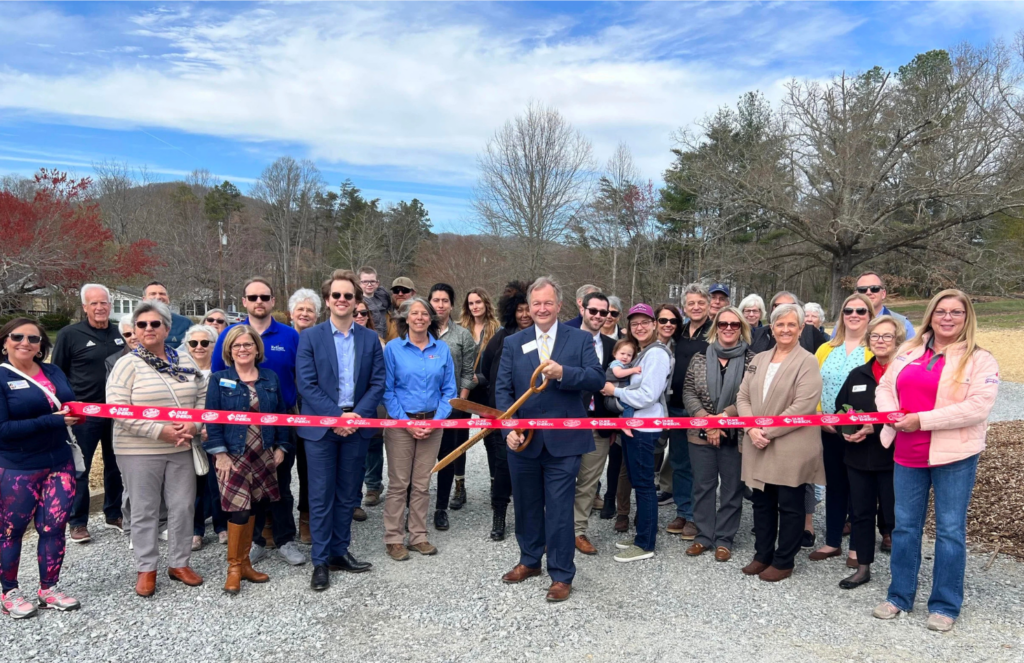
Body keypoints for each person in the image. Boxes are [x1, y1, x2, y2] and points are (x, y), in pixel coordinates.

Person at [872, 290, 999, 632]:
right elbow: (885, 387)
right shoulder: (909, 350)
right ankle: (899, 596)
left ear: (966, 317)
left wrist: (920, 420)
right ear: (930, 314)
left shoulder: (980, 359)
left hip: (953, 456)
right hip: (908, 453)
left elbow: (977, 407)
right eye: (941, 311)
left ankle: (945, 604)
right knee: (905, 527)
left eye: (956, 312)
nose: (947, 318)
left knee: (950, 531)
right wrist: (892, 415)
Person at [496, 277, 603, 601]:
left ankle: (561, 574)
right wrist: (508, 429)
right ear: (529, 307)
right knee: (526, 504)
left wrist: (564, 374)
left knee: (558, 509)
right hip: (523, 441)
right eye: (536, 303)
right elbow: (502, 391)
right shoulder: (515, 343)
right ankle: (530, 561)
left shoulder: (579, 340)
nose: (542, 309)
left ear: (559, 305)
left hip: (565, 443)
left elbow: (597, 378)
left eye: (548, 303)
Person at [107, 300, 207, 597]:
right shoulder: (127, 364)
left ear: (166, 328)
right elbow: (118, 409)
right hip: (138, 449)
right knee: (144, 509)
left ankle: (179, 563)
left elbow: (202, 397)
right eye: (141, 325)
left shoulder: (186, 360)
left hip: (182, 447)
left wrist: (195, 425)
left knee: (182, 506)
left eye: (154, 324)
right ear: (134, 331)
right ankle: (146, 568)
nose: (148, 329)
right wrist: (158, 430)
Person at [296, 269, 385, 591]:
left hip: (356, 429)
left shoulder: (369, 339)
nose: (343, 300)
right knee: (321, 496)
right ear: (327, 300)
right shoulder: (310, 337)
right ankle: (320, 561)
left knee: (348, 494)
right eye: (337, 295)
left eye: (348, 295)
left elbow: (378, 383)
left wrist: (355, 417)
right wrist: (337, 417)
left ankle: (338, 551)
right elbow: (306, 384)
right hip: (322, 429)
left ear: (356, 300)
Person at [211, 278, 303, 567]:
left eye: (265, 296)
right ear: (244, 301)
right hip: (236, 440)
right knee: (246, 497)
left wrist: (283, 444)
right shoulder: (223, 362)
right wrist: (219, 451)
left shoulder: (289, 338)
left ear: (273, 300)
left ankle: (286, 539)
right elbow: (213, 406)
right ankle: (255, 544)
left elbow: (294, 389)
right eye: (253, 297)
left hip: (274, 434)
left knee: (281, 489)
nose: (259, 301)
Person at [736, 303, 824, 582]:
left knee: (789, 504)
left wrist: (766, 431)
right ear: (771, 328)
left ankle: (784, 560)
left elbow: (803, 405)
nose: (785, 329)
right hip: (757, 440)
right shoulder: (758, 359)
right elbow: (742, 397)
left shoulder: (807, 361)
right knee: (761, 502)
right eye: (780, 324)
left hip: (791, 444)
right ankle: (762, 554)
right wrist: (751, 428)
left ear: (800, 329)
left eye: (791, 324)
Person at [0, 318, 82, 617]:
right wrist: (55, 420)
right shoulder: (1, 377)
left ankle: (49, 588)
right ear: (5, 341)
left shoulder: (53, 371)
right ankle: (9, 592)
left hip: (59, 462)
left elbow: (68, 405)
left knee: (54, 527)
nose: (25, 343)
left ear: (41, 346)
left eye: (33, 339)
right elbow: (3, 429)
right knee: (11, 530)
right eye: (17, 336)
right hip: (18, 466)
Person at [205, 325, 292, 594]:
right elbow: (212, 418)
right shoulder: (219, 379)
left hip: (263, 450)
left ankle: (245, 565)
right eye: (237, 345)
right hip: (233, 453)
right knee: (238, 509)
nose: (242, 349)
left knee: (256, 505)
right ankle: (233, 567)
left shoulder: (270, 378)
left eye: (247, 344)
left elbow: (280, 416)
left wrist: (282, 447)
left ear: (257, 348)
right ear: (229, 351)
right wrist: (218, 453)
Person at [382, 297, 456, 561]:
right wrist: (408, 423)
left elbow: (450, 391)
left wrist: (435, 421)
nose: (420, 318)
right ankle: (393, 538)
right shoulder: (392, 349)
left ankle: (418, 536)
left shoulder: (442, 349)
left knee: (422, 484)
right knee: (399, 484)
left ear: (431, 319)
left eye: (425, 313)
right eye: (415, 313)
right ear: (405, 318)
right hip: (402, 425)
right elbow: (387, 391)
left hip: (432, 424)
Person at [833, 315, 903, 590]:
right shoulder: (858, 374)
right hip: (859, 457)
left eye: (887, 336)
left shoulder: (905, 373)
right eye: (875, 336)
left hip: (895, 458)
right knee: (861, 513)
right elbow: (841, 410)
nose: (881, 341)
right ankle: (862, 568)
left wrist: (875, 426)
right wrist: (846, 433)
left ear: (897, 340)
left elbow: (911, 412)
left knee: (897, 517)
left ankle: (902, 574)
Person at [52, 283, 124, 543]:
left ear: (110, 305)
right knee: (80, 468)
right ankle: (78, 521)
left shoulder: (121, 333)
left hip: (117, 411)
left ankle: (114, 513)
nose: (99, 307)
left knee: (115, 465)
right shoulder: (70, 334)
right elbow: (56, 373)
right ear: (84, 307)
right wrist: (62, 408)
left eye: (103, 302)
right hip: (84, 412)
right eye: (93, 303)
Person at [682, 307, 755, 562]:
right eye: (723, 324)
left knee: (732, 488)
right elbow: (688, 392)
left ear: (742, 328)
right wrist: (708, 421)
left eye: (734, 325)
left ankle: (725, 538)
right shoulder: (699, 358)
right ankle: (704, 536)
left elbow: (751, 397)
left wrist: (723, 419)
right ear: (716, 327)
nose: (728, 328)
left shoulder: (752, 361)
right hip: (700, 432)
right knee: (703, 486)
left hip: (735, 433)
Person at [600, 303, 672, 563]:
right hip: (632, 427)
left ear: (654, 325)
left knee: (643, 485)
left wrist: (615, 392)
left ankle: (645, 543)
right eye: (634, 323)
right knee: (637, 480)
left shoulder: (656, 355)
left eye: (645, 322)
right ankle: (643, 533)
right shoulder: (642, 354)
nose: (639, 327)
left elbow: (648, 395)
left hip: (645, 428)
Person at [810, 293, 875, 567]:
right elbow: (812, 385)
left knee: (861, 490)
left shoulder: (876, 348)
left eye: (861, 310)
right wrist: (817, 416)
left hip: (864, 432)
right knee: (835, 486)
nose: (854, 315)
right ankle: (833, 541)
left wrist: (871, 423)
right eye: (849, 310)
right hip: (829, 430)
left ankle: (858, 548)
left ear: (870, 315)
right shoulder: (826, 348)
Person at [476, 282, 532, 541]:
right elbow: (487, 372)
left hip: (533, 414)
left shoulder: (542, 339)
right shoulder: (501, 337)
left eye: (527, 309)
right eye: (519, 310)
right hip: (502, 414)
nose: (524, 315)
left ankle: (527, 515)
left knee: (529, 468)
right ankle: (499, 514)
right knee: (502, 466)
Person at [660, 283, 711, 540]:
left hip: (702, 410)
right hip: (676, 406)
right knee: (679, 462)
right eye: (691, 303)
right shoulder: (678, 332)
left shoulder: (715, 331)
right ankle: (683, 510)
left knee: (700, 465)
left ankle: (697, 517)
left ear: (709, 304)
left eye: (700, 302)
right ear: (685, 306)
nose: (696, 307)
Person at [570, 291, 617, 555]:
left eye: (605, 312)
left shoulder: (612, 346)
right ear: (583, 308)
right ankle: (553, 527)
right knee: (562, 476)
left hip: (598, 423)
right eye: (594, 311)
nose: (599, 316)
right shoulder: (563, 335)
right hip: (565, 421)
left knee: (588, 481)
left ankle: (578, 530)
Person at [429, 284, 477, 531]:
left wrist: (461, 401)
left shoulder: (462, 336)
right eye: (435, 300)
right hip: (422, 408)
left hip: (451, 407)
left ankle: (441, 509)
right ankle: (412, 508)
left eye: (445, 300)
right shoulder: (418, 332)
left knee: (446, 459)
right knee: (418, 462)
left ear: (451, 304)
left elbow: (468, 371)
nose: (440, 305)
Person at [184, 325, 228, 551]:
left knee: (217, 482)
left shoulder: (222, 372)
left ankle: (221, 526)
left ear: (214, 345)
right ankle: (196, 530)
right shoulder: (180, 371)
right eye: (194, 343)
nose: (199, 347)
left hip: (216, 434)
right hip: (190, 436)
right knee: (194, 485)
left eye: (205, 343)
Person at [459, 287, 501, 514]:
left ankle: (496, 485)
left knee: (491, 440)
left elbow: (500, 364)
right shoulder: (460, 328)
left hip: (486, 390)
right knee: (458, 438)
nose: (475, 306)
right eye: (471, 303)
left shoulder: (498, 330)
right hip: (464, 390)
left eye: (478, 302)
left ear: (486, 303)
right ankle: (459, 485)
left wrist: (481, 378)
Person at [288, 287, 323, 541]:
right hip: (285, 411)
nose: (304, 313)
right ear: (291, 313)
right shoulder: (284, 338)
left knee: (309, 469)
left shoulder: (322, 339)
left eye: (310, 310)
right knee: (278, 468)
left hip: (313, 411)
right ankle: (274, 522)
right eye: (300, 309)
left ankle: (306, 518)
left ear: (317, 315)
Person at [354, 300, 386, 519]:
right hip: (349, 404)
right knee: (353, 452)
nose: (358, 316)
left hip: (374, 400)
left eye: (363, 312)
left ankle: (373, 485)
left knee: (374, 444)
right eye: (355, 312)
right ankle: (353, 497)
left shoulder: (378, 341)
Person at [831, 272, 915, 341]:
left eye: (874, 288)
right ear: (855, 294)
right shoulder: (842, 325)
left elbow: (913, 355)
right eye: (862, 289)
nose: (868, 292)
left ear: (883, 294)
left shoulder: (903, 323)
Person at [751, 292, 829, 354]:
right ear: (772, 309)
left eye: (790, 306)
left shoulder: (810, 332)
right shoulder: (760, 333)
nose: (784, 309)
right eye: (779, 306)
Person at [142, 281, 192, 347]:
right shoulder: (134, 322)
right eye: (153, 294)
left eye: (162, 294)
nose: (158, 297)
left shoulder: (185, 323)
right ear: (144, 299)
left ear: (168, 299)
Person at [358, 267, 392, 338]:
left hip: (384, 340)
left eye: (372, 281)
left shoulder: (384, 300)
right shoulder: (356, 303)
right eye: (365, 282)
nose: (369, 284)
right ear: (359, 283)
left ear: (377, 283)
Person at [384, 277, 416, 341]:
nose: (400, 294)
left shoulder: (420, 314)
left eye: (405, 290)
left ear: (413, 293)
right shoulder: (384, 314)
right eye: (396, 290)